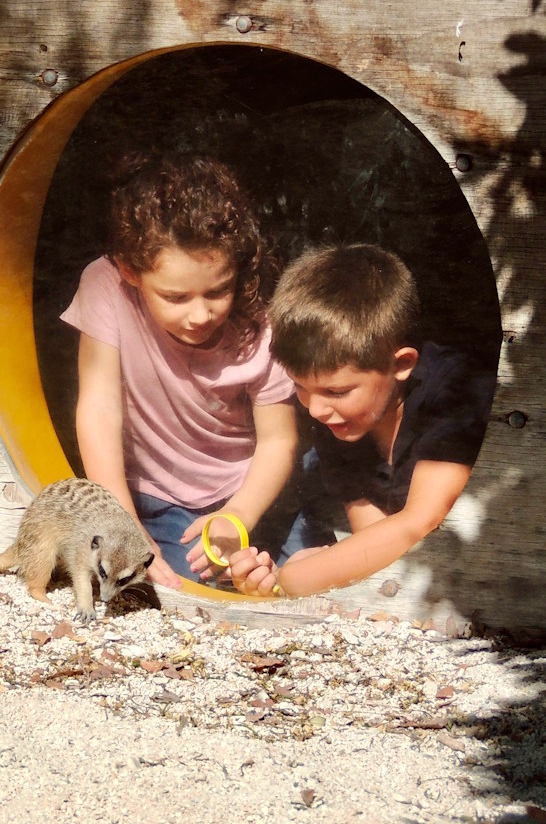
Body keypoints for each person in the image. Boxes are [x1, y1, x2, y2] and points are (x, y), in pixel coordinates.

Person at [62, 153, 299, 589]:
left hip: (252, 485)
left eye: (218, 291)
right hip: (159, 497)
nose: (200, 314)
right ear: (131, 271)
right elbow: (98, 410)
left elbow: (279, 439)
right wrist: (126, 530)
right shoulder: (105, 287)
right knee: (184, 589)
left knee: (305, 577)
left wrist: (239, 514)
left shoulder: (263, 319)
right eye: (175, 297)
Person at [225, 243, 495, 598]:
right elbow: (375, 543)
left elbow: (423, 522)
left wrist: (293, 580)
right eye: (300, 387)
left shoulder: (454, 393)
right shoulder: (339, 422)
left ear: (400, 365)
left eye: (336, 392)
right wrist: (273, 579)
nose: (315, 409)